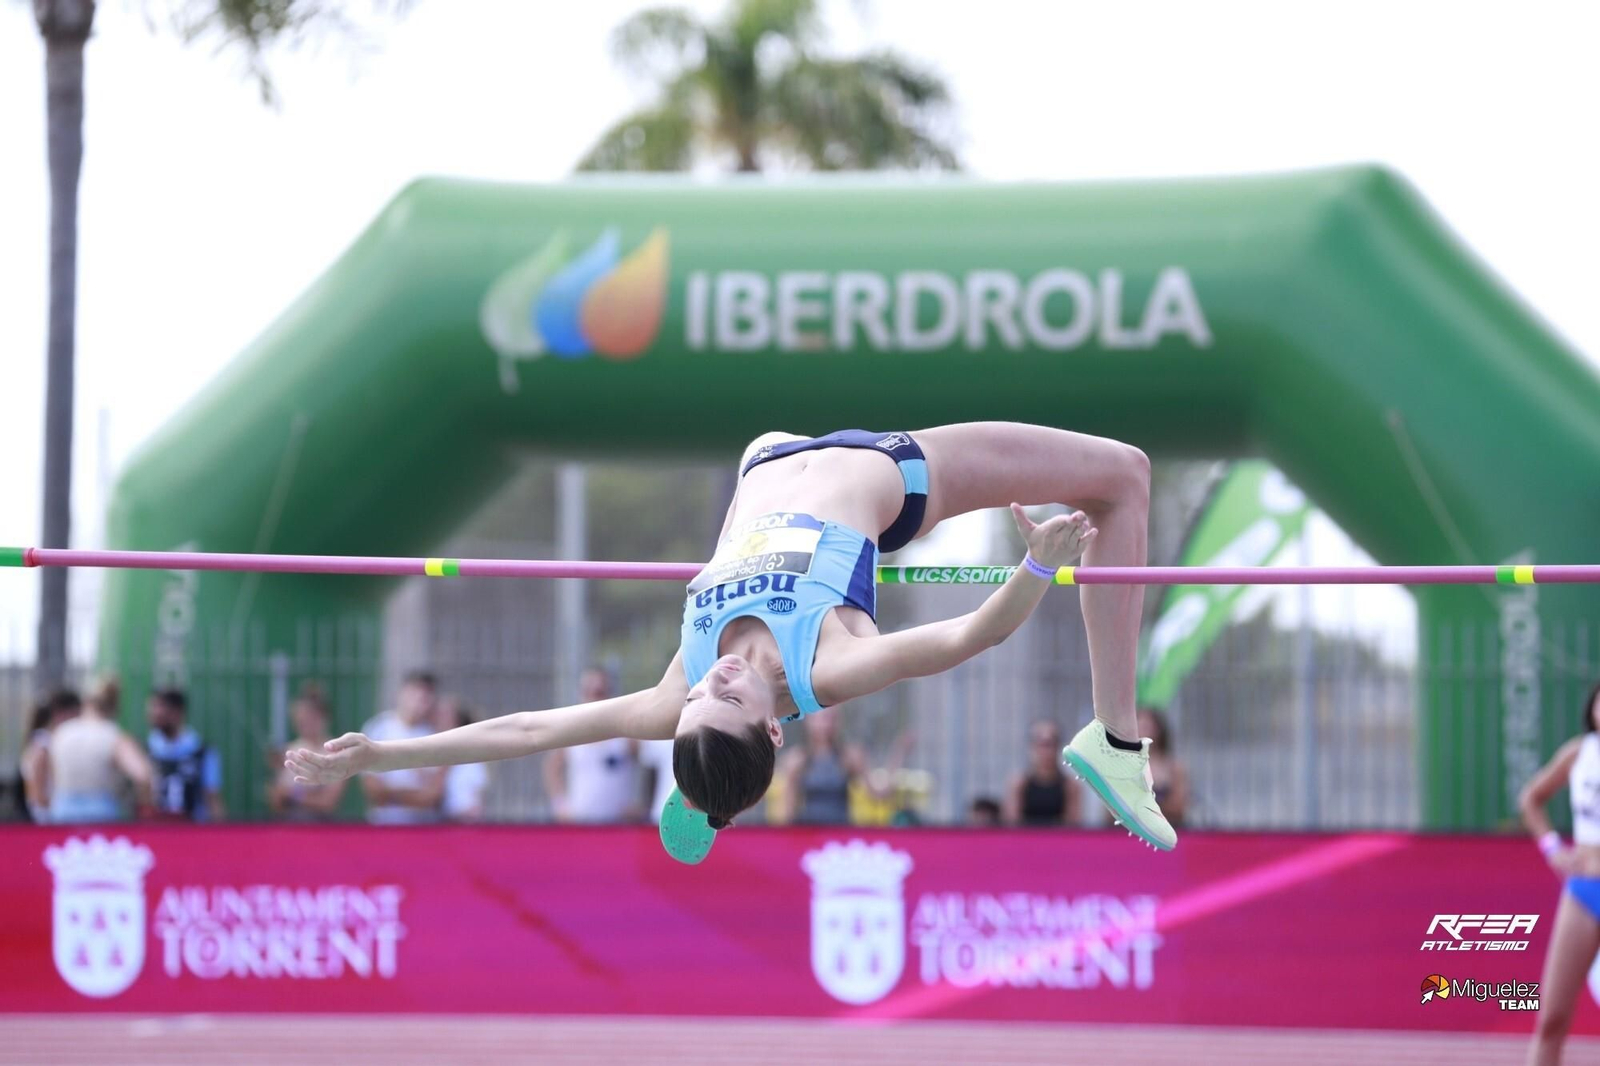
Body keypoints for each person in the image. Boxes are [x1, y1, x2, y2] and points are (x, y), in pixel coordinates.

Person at [289, 423, 1173, 853]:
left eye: (695, 707)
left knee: (688, 745)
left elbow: (525, 731)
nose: (709, 682)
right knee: (1122, 477)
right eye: (730, 699)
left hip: (768, 457)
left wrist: (377, 760)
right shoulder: (824, 666)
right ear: (775, 726)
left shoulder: (679, 696)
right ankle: (1117, 738)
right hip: (891, 476)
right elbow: (968, 638)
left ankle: (703, 795)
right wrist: (1038, 568)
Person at [1519, 680, 1600, 1066]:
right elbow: (1531, 798)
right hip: (1584, 893)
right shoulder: (1578, 753)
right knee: (1551, 1018)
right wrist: (1552, 848)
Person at [543, 667, 643, 823]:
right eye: (589, 692)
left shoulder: (626, 734)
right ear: (581, 694)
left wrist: (642, 804)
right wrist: (560, 806)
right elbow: (552, 768)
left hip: (618, 826)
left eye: (599, 692)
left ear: (609, 694)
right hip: (580, 824)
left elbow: (651, 765)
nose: (594, 698)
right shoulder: (570, 734)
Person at [773, 708, 905, 825]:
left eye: (831, 718)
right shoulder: (797, 759)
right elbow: (788, 812)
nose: (825, 725)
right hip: (808, 834)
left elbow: (879, 792)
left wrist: (898, 752)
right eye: (820, 719)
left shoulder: (850, 757)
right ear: (808, 722)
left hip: (839, 833)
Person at [50, 680, 153, 823]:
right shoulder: (113, 735)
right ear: (115, 706)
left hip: (62, 810)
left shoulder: (61, 732)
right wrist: (145, 808)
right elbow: (142, 775)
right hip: (101, 812)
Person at [359, 671, 445, 825]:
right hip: (384, 823)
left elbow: (433, 795)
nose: (418, 703)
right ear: (402, 693)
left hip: (423, 827)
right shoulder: (378, 728)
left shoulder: (434, 735)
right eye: (414, 694)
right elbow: (372, 789)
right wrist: (413, 796)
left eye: (425, 698)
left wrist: (391, 795)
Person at [266, 683, 346, 822]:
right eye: (301, 720)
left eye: (310, 718)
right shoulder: (288, 751)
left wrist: (293, 795)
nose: (305, 724)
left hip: (322, 826)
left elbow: (328, 802)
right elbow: (277, 802)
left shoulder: (337, 751)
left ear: (323, 718)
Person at [147, 687, 225, 821]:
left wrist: (222, 835)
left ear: (178, 712)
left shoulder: (203, 752)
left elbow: (212, 797)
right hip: (156, 833)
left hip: (192, 833)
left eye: (160, 707)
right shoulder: (146, 750)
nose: (154, 713)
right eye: (152, 707)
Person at [1003, 719, 1082, 827]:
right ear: (1031, 746)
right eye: (1041, 744)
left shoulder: (1070, 786)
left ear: (1058, 747)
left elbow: (1072, 826)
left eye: (1050, 744)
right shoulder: (1018, 784)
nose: (1046, 751)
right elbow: (1012, 824)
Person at [436, 695, 489, 822]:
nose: (439, 718)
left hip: (462, 821)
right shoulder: (437, 750)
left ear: (456, 720)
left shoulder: (471, 758)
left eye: (445, 715)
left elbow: (474, 801)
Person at [1139, 707, 1191, 828]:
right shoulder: (1125, 768)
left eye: (1146, 727)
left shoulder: (1173, 768)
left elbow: (1179, 807)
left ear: (1158, 730)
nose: (1142, 732)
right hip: (1130, 836)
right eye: (1138, 727)